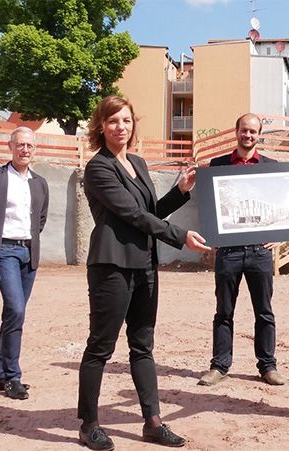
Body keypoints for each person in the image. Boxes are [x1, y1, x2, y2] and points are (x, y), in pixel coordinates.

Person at [77, 96, 211, 450]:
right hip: (111, 266)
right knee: (100, 347)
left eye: (126, 120)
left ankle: (152, 422)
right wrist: (180, 236)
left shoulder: (137, 162)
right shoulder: (98, 168)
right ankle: (89, 423)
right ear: (101, 127)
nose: (121, 127)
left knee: (143, 346)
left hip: (144, 265)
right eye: (113, 121)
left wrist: (180, 192)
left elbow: (151, 211)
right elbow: (131, 216)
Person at [197, 113, 285, 387]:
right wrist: (213, 232)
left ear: (259, 135)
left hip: (259, 252)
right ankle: (219, 365)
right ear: (236, 132)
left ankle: (268, 366)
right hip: (229, 252)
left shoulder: (271, 167)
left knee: (264, 312)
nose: (248, 135)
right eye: (244, 130)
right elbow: (210, 205)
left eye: (253, 131)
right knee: (224, 311)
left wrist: (279, 234)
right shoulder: (217, 165)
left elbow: (283, 206)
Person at [0, 127, 49, 401]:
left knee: (13, 313)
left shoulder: (39, 182)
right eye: (20, 145)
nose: (25, 150)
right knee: (16, 309)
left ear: (34, 149)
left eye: (29, 145)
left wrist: (28, 243)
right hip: (4, 251)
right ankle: (12, 377)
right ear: (10, 146)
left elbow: (40, 219)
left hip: (29, 253)